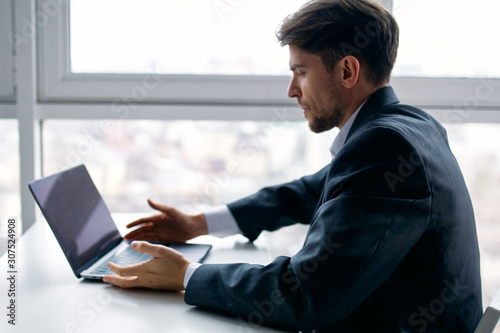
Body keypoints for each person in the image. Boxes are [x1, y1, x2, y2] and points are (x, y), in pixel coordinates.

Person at [103, 0, 483, 331]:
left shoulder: (385, 145)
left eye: (301, 71)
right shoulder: (410, 126)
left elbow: (303, 293)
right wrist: (199, 224)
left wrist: (186, 275)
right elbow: (306, 193)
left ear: (348, 71)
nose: (292, 90)